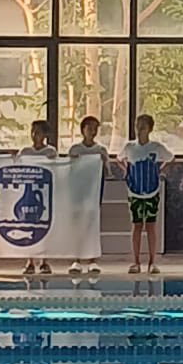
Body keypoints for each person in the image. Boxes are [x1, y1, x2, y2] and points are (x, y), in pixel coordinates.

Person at [120, 112, 173, 277]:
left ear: (150, 129)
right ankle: (136, 261)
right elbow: (119, 158)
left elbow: (171, 158)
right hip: (135, 191)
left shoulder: (156, 147)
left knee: (150, 226)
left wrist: (161, 171)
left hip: (152, 191)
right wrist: (126, 171)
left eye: (143, 127)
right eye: (137, 126)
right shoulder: (130, 147)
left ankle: (152, 261)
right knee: (136, 225)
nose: (139, 130)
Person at [67, 114, 111, 276]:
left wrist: (103, 161)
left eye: (95, 129)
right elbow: (67, 171)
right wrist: (74, 161)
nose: (92, 131)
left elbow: (107, 172)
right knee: (78, 226)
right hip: (78, 193)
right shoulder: (75, 150)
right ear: (82, 130)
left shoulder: (100, 150)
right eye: (89, 128)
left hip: (94, 193)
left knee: (92, 225)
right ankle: (76, 260)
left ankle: (92, 260)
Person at [16, 119, 58, 277]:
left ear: (45, 134)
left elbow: (56, 170)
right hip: (28, 194)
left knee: (44, 225)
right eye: (32, 132)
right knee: (28, 225)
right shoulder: (25, 151)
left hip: (44, 193)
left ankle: (44, 261)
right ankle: (30, 261)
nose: (34, 135)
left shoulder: (50, 152)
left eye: (38, 132)